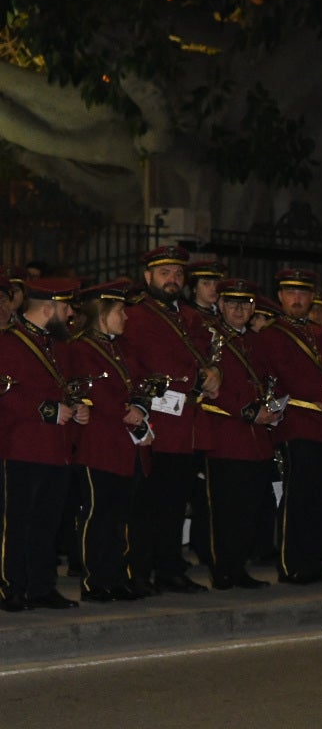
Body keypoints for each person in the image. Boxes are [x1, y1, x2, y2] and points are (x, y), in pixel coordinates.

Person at [121, 246, 220, 594]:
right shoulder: (135, 316)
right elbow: (134, 366)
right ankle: (138, 570)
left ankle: (169, 568)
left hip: (187, 424)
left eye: (178, 274)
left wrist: (214, 374)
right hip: (156, 424)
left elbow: (207, 357)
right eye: (165, 273)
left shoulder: (192, 317)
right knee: (146, 503)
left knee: (175, 502)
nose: (173, 280)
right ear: (147, 277)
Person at [60, 280, 152, 601]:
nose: (126, 317)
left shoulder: (125, 347)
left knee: (119, 517)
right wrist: (123, 410)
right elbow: (84, 390)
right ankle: (94, 581)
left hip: (125, 445)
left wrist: (139, 406)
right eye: (120, 311)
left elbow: (142, 381)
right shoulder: (80, 348)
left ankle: (116, 576)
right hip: (98, 444)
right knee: (97, 514)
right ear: (102, 313)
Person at [0, 278, 86, 610]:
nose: (70, 316)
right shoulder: (8, 343)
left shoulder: (59, 346)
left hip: (57, 448)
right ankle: (11, 586)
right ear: (47, 308)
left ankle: (40, 586)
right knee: (17, 520)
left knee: (47, 522)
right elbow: (7, 394)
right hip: (21, 446)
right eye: (66, 308)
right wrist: (47, 410)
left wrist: (78, 408)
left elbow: (67, 387)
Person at [254, 268, 322, 583]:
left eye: (304, 294)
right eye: (291, 293)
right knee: (298, 497)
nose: (297, 299)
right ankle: (291, 564)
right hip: (295, 424)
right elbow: (283, 376)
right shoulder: (272, 334)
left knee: (321, 497)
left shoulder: (320, 333)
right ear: (280, 296)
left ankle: (313, 561)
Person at [198, 279, 279, 589]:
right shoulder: (211, 339)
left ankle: (238, 566)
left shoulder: (254, 342)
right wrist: (247, 411)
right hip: (226, 435)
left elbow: (267, 380)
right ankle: (222, 569)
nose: (239, 309)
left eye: (245, 304)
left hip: (257, 439)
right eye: (232, 303)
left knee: (249, 507)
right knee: (225, 509)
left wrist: (272, 408)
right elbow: (214, 387)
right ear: (220, 306)